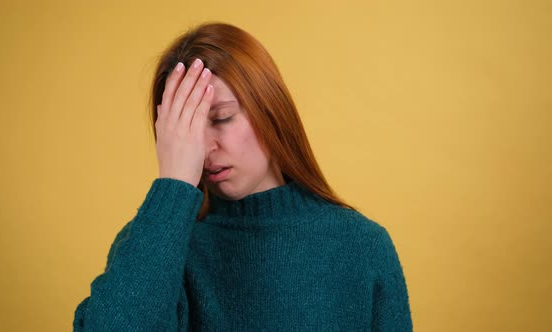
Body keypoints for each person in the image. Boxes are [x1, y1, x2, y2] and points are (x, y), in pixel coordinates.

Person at [73, 21, 413, 331]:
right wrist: (173, 185)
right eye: (185, 129)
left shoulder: (360, 246)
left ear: (270, 108)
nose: (203, 148)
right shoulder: (153, 243)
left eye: (221, 118)